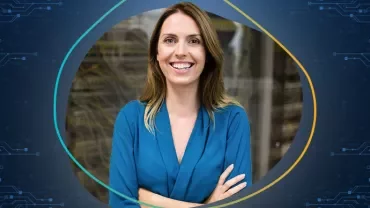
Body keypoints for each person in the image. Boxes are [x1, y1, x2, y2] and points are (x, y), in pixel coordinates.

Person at [109, 2, 252, 207]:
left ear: (207, 53)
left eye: (194, 41)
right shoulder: (130, 120)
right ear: (156, 54)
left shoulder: (232, 120)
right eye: (170, 40)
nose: (181, 51)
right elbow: (120, 204)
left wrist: (148, 199)